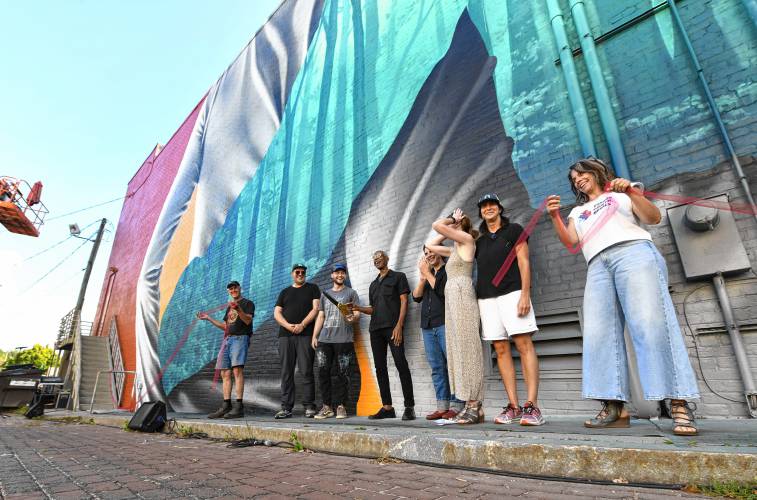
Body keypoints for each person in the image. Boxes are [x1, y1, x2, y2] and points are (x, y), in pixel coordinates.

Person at [546, 157, 700, 435]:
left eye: (581, 173)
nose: (578, 179)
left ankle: (678, 401)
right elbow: (571, 241)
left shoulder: (621, 192)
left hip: (633, 252)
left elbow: (653, 217)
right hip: (597, 264)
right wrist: (555, 216)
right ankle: (615, 407)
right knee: (598, 333)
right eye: (573, 178)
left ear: (595, 173)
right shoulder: (578, 211)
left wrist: (630, 191)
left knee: (650, 324)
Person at [476, 193, 544, 426]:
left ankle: (532, 406)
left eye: (492, 204)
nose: (488, 208)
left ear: (499, 207)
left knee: (524, 344)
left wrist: (525, 293)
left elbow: (524, 261)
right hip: (486, 299)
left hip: (514, 293)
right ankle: (513, 406)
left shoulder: (514, 229)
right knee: (500, 349)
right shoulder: (479, 241)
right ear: (481, 212)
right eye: (484, 206)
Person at [426, 208, 486, 424]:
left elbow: (436, 225)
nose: (450, 228)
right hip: (452, 298)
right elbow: (431, 246)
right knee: (459, 349)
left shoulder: (468, 240)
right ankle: (472, 405)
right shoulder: (454, 249)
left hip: (462, 294)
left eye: (454, 227)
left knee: (469, 347)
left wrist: (452, 220)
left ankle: (474, 403)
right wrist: (449, 228)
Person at [350, 251, 415, 420]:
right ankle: (387, 407)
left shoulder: (398, 277)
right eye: (374, 259)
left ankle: (409, 407)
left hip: (393, 329)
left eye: (380, 257)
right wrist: (358, 308)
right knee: (380, 368)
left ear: (387, 259)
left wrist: (399, 326)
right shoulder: (373, 285)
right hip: (376, 330)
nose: (377, 260)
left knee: (401, 364)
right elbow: (373, 309)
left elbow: (404, 301)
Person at [412, 246, 465, 420]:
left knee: (452, 365)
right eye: (426, 254)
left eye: (431, 252)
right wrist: (422, 278)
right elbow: (416, 297)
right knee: (437, 367)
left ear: (440, 252)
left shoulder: (448, 270)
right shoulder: (426, 274)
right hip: (427, 326)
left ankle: (457, 404)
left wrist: (427, 274)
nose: (429, 255)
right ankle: (442, 406)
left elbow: (443, 292)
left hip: (444, 324)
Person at [197, 280, 255, 419]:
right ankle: (226, 405)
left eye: (235, 287)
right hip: (228, 340)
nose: (233, 290)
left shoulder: (247, 303)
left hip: (240, 338)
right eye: (230, 289)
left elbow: (248, 321)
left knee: (237, 371)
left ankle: (239, 406)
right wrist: (209, 318)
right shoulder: (229, 308)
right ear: (228, 291)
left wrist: (239, 309)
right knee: (225, 373)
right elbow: (225, 326)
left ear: (240, 288)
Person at [311, 264, 360, 419]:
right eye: (337, 272)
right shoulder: (325, 294)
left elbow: (357, 313)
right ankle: (327, 407)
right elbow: (321, 316)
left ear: (345, 276)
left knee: (343, 373)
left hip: (344, 339)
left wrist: (353, 317)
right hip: (325, 339)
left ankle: (341, 406)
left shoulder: (351, 293)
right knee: (323, 372)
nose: (340, 275)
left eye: (342, 273)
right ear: (332, 275)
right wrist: (315, 335)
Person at [273, 263, 321, 419]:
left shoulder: (313, 288)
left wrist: (302, 325)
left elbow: (315, 309)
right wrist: (288, 326)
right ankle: (286, 408)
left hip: (305, 334)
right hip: (285, 336)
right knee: (286, 372)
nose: (300, 274)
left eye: (303, 272)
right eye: (297, 272)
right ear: (292, 274)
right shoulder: (284, 292)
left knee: (306, 370)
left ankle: (309, 406)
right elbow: (277, 313)